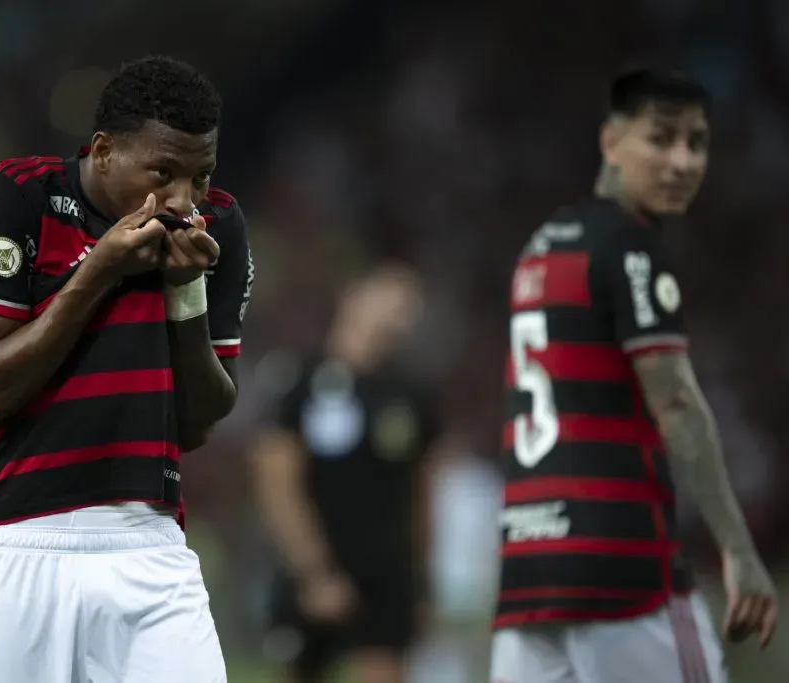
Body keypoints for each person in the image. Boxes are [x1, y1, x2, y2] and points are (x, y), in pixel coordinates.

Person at [0, 56, 253, 683]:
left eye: (200, 176)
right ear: (105, 150)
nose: (183, 199)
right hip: (15, 533)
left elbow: (198, 422)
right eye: (163, 173)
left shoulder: (218, 226)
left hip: (147, 539)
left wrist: (185, 293)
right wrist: (101, 269)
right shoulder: (15, 197)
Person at [491, 68, 778, 683]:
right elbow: (675, 403)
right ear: (611, 142)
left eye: (697, 143)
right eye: (661, 138)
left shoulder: (541, 247)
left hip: (528, 567)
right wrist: (737, 549)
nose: (682, 162)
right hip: (619, 568)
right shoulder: (630, 249)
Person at [251, 265, 439, 683]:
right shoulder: (299, 381)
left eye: (409, 307)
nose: (400, 316)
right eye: (390, 300)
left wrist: (421, 580)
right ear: (353, 296)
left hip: (386, 576)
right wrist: (315, 572)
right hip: (313, 571)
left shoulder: (413, 394)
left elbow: (424, 495)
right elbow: (276, 484)